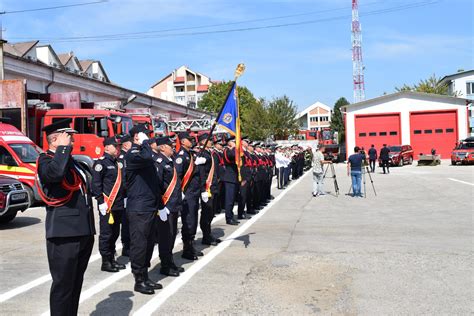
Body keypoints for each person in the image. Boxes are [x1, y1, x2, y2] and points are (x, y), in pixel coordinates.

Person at [36, 118, 95, 315]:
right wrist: (61, 150)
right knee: (63, 287)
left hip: (83, 231)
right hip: (64, 235)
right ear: (55, 140)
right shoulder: (46, 160)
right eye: (68, 137)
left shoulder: (72, 163)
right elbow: (54, 175)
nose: (73, 141)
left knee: (75, 285)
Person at [125, 124, 162, 295]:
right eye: (145, 135)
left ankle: (145, 276)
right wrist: (144, 143)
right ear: (137, 137)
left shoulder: (144, 153)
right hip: (139, 207)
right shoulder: (133, 154)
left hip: (149, 205)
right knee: (139, 244)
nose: (149, 138)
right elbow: (147, 157)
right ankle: (139, 279)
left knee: (148, 243)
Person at [91, 137, 126, 273]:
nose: (117, 149)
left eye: (118, 147)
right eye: (114, 146)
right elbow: (96, 184)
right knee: (106, 234)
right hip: (107, 205)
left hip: (118, 204)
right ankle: (106, 261)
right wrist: (100, 201)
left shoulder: (117, 162)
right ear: (106, 148)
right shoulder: (101, 163)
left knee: (115, 233)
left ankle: (112, 258)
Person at [153, 136, 185, 276]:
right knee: (166, 236)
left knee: (172, 235)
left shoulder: (170, 161)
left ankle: (170, 261)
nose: (172, 147)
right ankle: (164, 265)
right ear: (162, 147)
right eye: (169, 145)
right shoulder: (159, 162)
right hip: (166, 206)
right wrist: (161, 206)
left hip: (174, 204)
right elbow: (157, 187)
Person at [175, 132, 206, 259]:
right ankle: (187, 249)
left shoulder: (190, 154)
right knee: (188, 221)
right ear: (182, 141)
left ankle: (191, 246)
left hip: (194, 192)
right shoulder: (181, 156)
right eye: (189, 139)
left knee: (193, 221)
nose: (191, 141)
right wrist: (179, 193)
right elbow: (177, 176)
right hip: (187, 194)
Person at [197, 133, 222, 245]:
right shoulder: (202, 154)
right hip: (207, 188)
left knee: (211, 213)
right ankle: (206, 237)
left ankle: (209, 234)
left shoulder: (208, 153)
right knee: (206, 213)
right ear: (203, 141)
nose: (212, 141)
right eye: (209, 140)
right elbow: (202, 174)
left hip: (213, 186)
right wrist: (203, 190)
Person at [117, 134, 131, 257]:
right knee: (126, 222)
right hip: (125, 195)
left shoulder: (127, 156)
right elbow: (123, 179)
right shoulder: (122, 158)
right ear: (126, 144)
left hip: (129, 195)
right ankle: (126, 247)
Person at [221, 136, 240, 225]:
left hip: (233, 177)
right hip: (229, 178)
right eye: (233, 141)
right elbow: (232, 156)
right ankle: (228, 218)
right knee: (229, 199)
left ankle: (231, 215)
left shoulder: (232, 149)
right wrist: (234, 147)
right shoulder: (227, 150)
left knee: (232, 199)